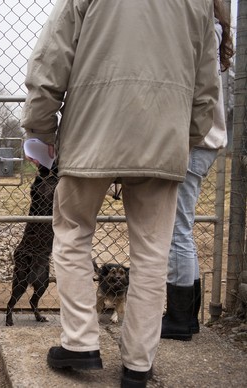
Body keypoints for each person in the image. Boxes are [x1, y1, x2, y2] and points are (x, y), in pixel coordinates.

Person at [20, 1, 219, 387]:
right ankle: (138, 364)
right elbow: (206, 86)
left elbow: (50, 60)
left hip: (91, 134)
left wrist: (39, 130)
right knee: (152, 249)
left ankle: (79, 341)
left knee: (73, 232)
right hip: (163, 137)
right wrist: (183, 139)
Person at [161, 0, 235, 342]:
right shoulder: (214, 31)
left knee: (177, 230)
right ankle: (186, 317)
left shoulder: (204, 30)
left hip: (195, 141)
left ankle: (178, 318)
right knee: (182, 229)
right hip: (203, 140)